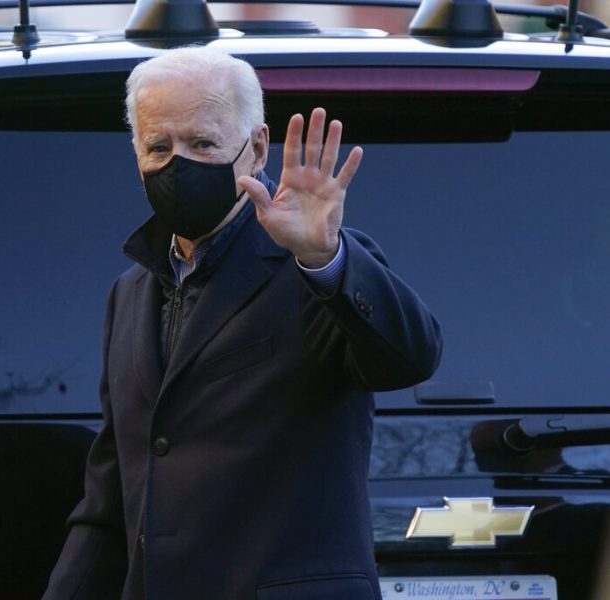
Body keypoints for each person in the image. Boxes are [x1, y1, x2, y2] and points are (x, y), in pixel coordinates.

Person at [43, 47, 442, 600]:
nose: (179, 163)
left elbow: (410, 357)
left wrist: (323, 256)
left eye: (203, 143)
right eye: (159, 146)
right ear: (136, 153)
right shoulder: (130, 293)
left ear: (256, 148)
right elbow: (110, 501)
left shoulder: (313, 270)